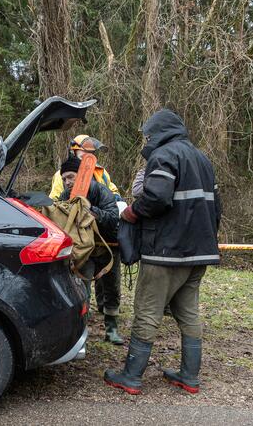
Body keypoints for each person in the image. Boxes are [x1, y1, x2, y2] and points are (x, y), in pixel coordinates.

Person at [104, 109, 222, 395]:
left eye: (147, 134)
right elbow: (216, 208)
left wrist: (132, 212)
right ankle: (189, 377)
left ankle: (131, 377)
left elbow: (156, 197)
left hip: (166, 253)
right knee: (189, 313)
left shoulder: (165, 155)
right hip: (199, 254)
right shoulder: (202, 159)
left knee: (147, 312)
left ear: (158, 132)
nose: (146, 139)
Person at [52, 136, 125, 345]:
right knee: (82, 289)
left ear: (81, 174)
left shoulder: (100, 190)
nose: (67, 182)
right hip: (85, 250)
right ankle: (81, 330)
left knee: (112, 288)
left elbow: (112, 217)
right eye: (64, 178)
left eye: (71, 177)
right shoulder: (65, 195)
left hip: (108, 247)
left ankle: (112, 329)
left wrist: (91, 211)